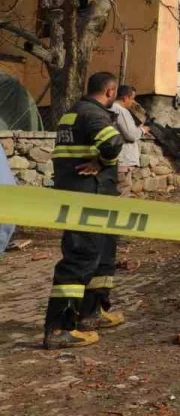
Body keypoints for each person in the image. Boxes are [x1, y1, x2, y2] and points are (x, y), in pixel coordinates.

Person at [43, 71, 126, 349]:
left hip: (91, 196)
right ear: (111, 91)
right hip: (88, 195)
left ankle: (91, 312)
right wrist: (102, 163)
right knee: (80, 257)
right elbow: (113, 142)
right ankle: (59, 328)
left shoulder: (70, 114)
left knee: (101, 254)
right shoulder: (93, 114)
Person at [111, 84, 149, 196]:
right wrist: (142, 130)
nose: (133, 102)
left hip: (112, 158)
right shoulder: (121, 111)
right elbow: (131, 135)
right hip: (122, 160)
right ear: (125, 98)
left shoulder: (109, 108)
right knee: (123, 191)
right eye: (132, 99)